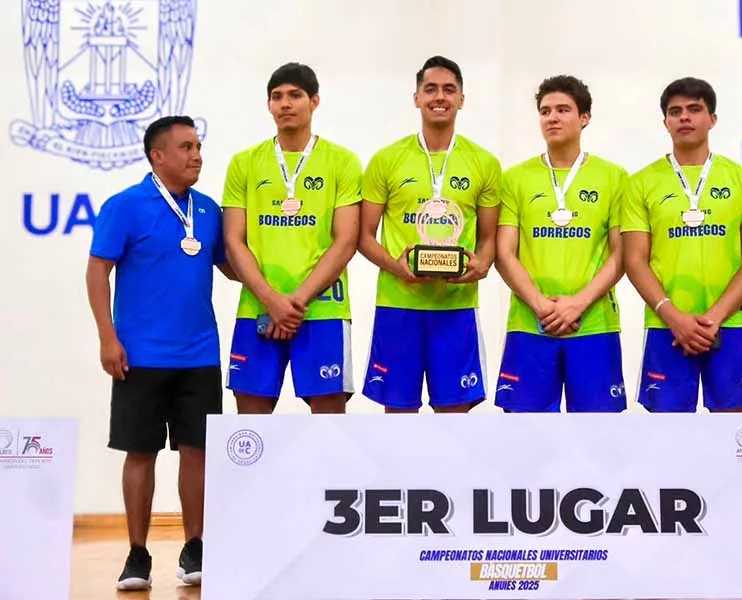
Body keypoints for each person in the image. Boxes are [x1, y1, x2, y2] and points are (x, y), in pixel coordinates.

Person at [86, 115, 237, 590]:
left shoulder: (208, 210)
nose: (197, 156)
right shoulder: (124, 206)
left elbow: (234, 267)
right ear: (158, 156)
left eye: (198, 147)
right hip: (139, 357)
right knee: (140, 453)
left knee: (198, 453)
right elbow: (97, 272)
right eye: (186, 147)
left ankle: (195, 547)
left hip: (200, 355)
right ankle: (137, 553)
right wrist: (107, 337)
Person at [358, 55, 502, 413]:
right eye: (431, 89)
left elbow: (489, 237)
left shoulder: (484, 163)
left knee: (454, 416)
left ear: (461, 99)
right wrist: (396, 266)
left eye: (449, 90)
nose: (440, 96)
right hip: (398, 305)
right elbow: (363, 235)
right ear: (417, 98)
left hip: (456, 307)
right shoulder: (386, 159)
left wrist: (482, 264)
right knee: (399, 414)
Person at [621, 76, 742, 413]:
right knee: (669, 432)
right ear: (666, 122)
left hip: (730, 323)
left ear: (712, 119)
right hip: (666, 325)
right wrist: (674, 317)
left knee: (736, 428)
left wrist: (714, 318)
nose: (684, 117)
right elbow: (635, 260)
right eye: (675, 112)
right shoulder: (640, 183)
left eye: (694, 109)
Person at [222, 62, 362, 414]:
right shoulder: (244, 163)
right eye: (277, 96)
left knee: (329, 425)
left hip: (323, 308)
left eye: (295, 95)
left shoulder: (342, 161)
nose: (285, 104)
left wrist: (294, 302)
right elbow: (234, 241)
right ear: (269, 104)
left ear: (314, 101)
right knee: (251, 428)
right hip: (257, 308)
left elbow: (346, 241)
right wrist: (271, 300)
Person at [493, 75, 629, 412]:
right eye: (545, 111)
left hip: (593, 324)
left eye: (563, 110)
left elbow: (622, 253)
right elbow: (504, 253)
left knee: (599, 431)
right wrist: (541, 306)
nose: (552, 118)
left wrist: (578, 304)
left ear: (585, 117)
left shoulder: (614, 177)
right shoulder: (514, 178)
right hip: (530, 323)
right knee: (526, 430)